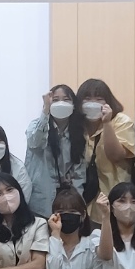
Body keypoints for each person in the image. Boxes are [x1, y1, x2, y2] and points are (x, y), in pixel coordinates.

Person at [77, 78, 135, 227]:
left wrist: (107, 123)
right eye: (87, 98)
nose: (93, 103)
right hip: (84, 204)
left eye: (99, 99)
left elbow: (116, 155)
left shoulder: (121, 121)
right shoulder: (77, 126)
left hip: (116, 201)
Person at [24, 84, 88, 218]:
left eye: (66, 99)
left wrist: (78, 204)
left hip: (66, 204)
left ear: (73, 105)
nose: (61, 103)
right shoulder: (36, 125)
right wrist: (45, 111)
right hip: (40, 201)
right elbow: (34, 142)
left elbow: (79, 173)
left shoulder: (79, 133)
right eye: (55, 100)